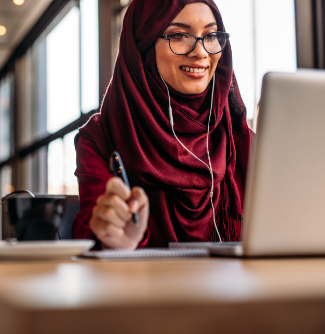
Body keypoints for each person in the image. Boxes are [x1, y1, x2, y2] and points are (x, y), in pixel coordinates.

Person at [73, 0, 252, 249]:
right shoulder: (102, 137)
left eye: (210, 35)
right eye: (179, 34)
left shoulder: (240, 138)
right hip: (143, 286)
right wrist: (116, 238)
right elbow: (92, 232)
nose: (200, 52)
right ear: (142, 47)